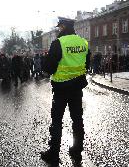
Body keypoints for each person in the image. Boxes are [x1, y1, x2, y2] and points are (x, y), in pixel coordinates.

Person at [40, 17, 90, 165]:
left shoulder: (59, 43)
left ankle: (53, 153)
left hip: (61, 88)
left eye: (59, 27)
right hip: (77, 88)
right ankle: (77, 150)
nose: (58, 30)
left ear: (63, 27)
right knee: (77, 119)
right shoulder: (83, 42)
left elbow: (49, 67)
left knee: (57, 121)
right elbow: (87, 63)